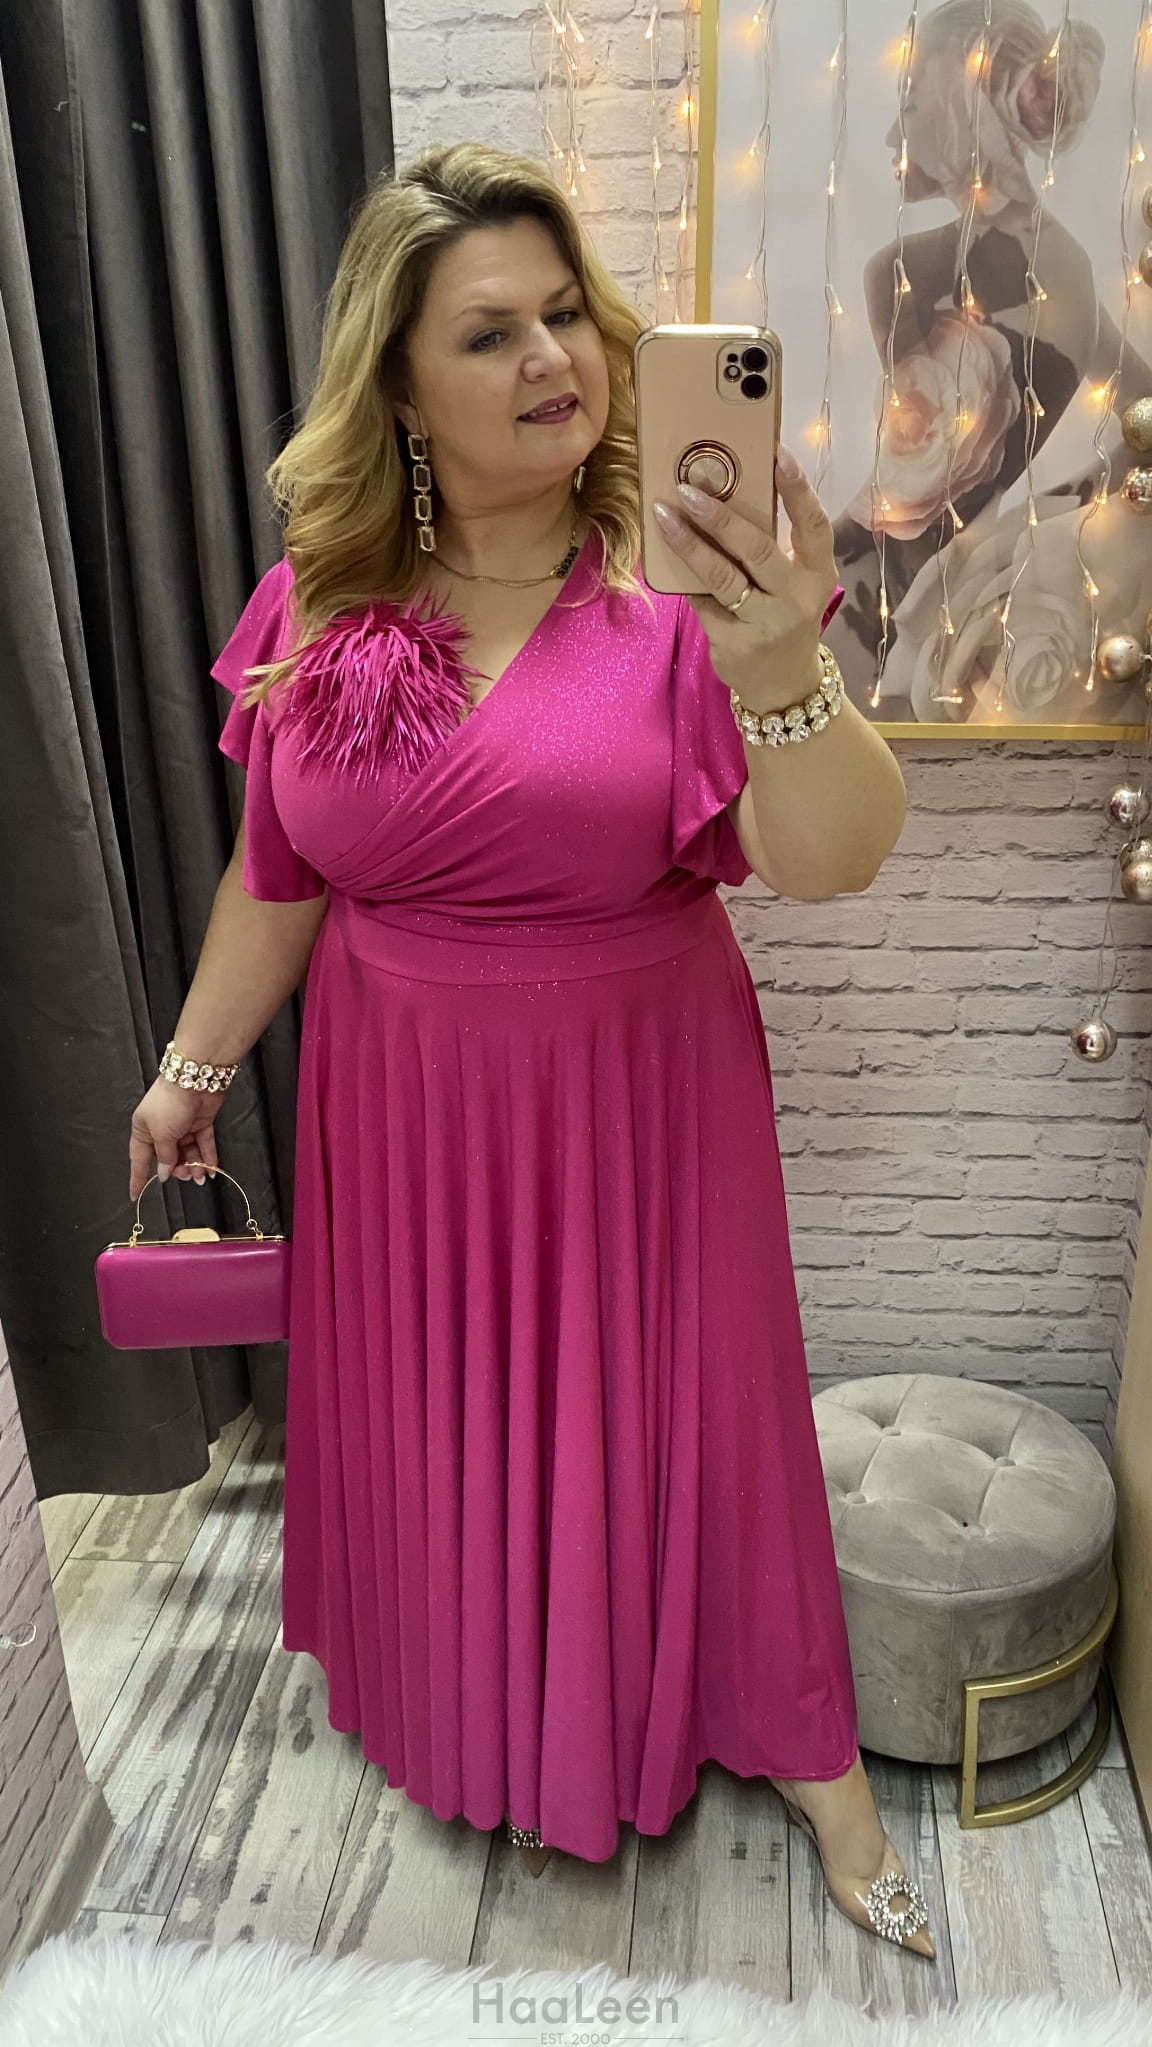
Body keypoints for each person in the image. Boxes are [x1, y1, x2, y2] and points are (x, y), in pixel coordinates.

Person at [128, 142, 926, 1955]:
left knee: (693, 1420)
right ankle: (472, 1711)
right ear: (400, 389)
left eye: (565, 313)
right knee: (440, 1422)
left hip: (638, 1100)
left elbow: (833, 859)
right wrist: (191, 1067)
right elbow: (279, 875)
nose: (552, 356)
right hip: (399, 1107)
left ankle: (819, 1768)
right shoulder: (322, 603)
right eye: (489, 333)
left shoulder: (682, 598)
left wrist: (782, 665)